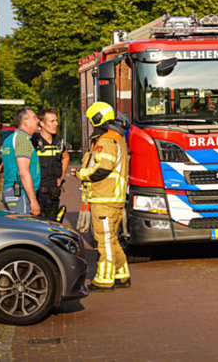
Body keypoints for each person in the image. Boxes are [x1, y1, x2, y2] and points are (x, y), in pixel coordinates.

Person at [73, 102, 130, 292]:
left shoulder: (105, 140)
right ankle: (121, 274)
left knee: (103, 240)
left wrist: (81, 174)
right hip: (112, 197)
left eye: (92, 120)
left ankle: (104, 280)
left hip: (105, 198)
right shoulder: (116, 136)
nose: (91, 124)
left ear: (97, 118)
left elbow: (103, 169)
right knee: (111, 238)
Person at [1, 107, 41, 216]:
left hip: (12, 192)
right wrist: (33, 201)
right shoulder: (22, 140)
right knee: (24, 230)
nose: (38, 120)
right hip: (20, 194)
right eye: (34, 118)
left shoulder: (10, 139)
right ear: (25, 121)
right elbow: (23, 172)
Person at [32, 108, 69, 222]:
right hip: (37, 192)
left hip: (54, 193)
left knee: (52, 225)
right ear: (42, 123)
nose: (56, 124)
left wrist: (61, 175)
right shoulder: (34, 140)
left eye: (56, 121)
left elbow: (65, 157)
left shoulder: (59, 141)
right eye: (52, 121)